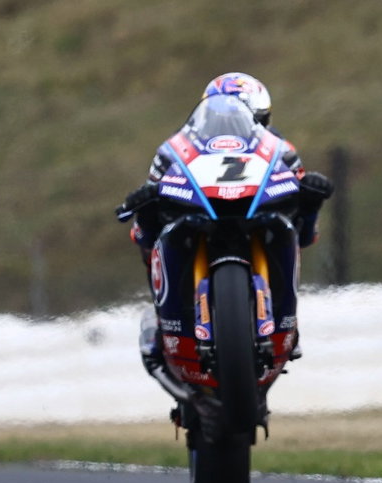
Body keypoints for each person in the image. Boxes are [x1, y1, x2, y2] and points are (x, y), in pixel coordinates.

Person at [118, 74, 334, 394]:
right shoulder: (176, 148)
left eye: (250, 117)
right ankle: (162, 327)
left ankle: (281, 322)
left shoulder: (280, 149)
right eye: (224, 117)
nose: (235, 124)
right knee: (148, 239)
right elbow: (151, 197)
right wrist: (146, 207)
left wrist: (311, 199)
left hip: (256, 219)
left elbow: (303, 229)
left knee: (289, 231)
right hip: (197, 218)